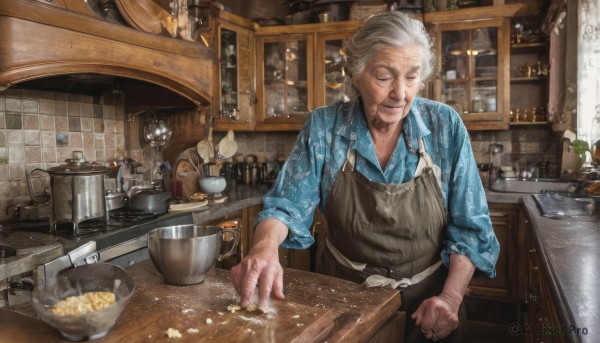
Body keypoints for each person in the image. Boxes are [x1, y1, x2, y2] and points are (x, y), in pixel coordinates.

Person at [231, 11, 499, 342]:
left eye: (412, 77)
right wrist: (264, 247)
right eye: (384, 77)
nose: (400, 93)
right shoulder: (325, 128)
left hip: (430, 305)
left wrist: (451, 298)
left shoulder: (444, 126)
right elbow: (287, 205)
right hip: (344, 302)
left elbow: (472, 229)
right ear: (357, 75)